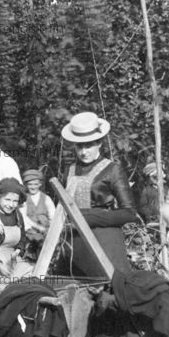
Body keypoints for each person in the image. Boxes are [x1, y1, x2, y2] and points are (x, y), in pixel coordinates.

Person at [60, 112, 136, 276]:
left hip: (104, 241)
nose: (83, 152)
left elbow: (129, 213)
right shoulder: (69, 170)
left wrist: (89, 217)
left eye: (88, 145)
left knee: (107, 293)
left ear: (99, 143)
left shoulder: (112, 169)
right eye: (79, 146)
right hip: (75, 243)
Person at [20, 169, 57, 234]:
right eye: (30, 184)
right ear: (26, 185)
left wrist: (51, 230)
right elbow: (23, 218)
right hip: (30, 231)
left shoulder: (46, 198)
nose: (33, 187)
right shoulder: (24, 199)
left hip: (46, 230)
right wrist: (38, 228)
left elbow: (53, 216)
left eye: (36, 184)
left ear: (40, 184)